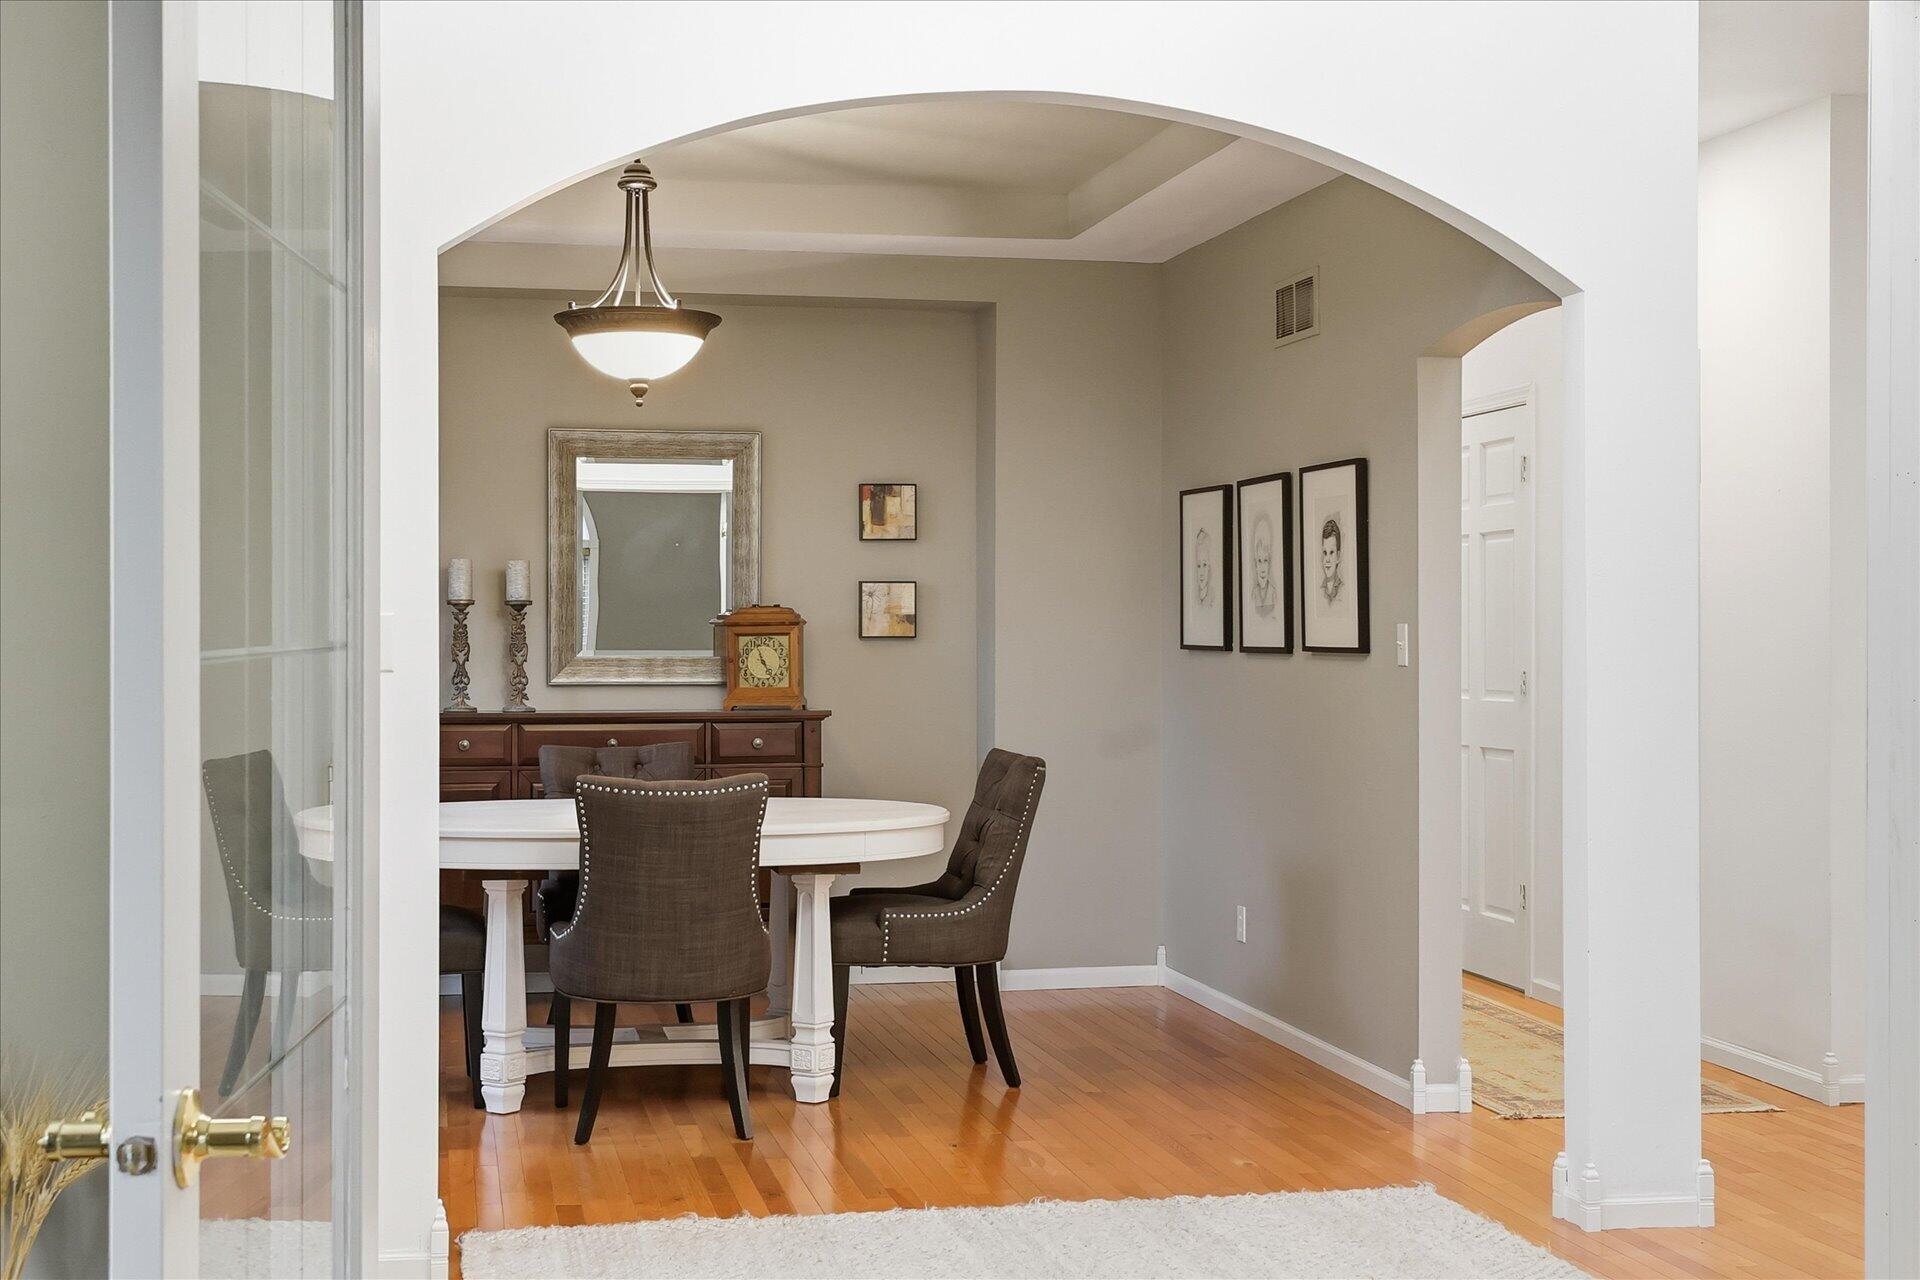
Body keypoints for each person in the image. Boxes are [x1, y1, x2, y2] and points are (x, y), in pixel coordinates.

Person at [1250, 513, 1277, 617]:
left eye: (1265, 560)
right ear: (1255, 564)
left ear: (1269, 563)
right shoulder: (1253, 594)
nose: (1262, 568)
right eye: (1259, 561)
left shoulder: (1274, 593)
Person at [1319, 515, 1344, 606]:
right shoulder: (1319, 590)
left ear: (1338, 556)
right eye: (1325, 553)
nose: (1327, 560)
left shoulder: (1343, 590)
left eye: (1331, 552)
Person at [1193, 527, 1213, 605]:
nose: (1201, 573)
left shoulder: (1212, 598)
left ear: (1209, 567)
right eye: (1198, 566)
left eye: (1204, 565)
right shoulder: (1193, 598)